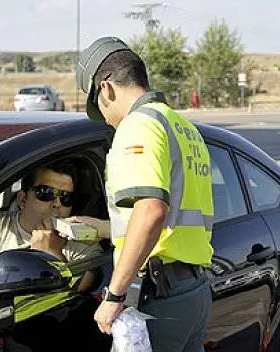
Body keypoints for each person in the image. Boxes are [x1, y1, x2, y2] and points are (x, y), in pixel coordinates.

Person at [77, 37, 214, 352]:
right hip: (194, 289)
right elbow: (175, 213)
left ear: (106, 89)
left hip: (158, 297)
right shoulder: (182, 126)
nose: (106, 119)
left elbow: (152, 209)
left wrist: (114, 295)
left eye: (99, 107)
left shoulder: (137, 126)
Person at [0, 162, 111, 351]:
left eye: (65, 198)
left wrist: (51, 255)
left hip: (33, 337)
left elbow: (80, 292)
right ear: (23, 199)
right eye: (46, 193)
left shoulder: (82, 243)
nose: (57, 204)